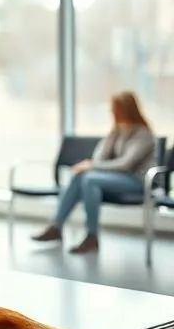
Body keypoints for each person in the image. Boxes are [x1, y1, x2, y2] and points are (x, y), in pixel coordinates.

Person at [31, 90, 157, 254]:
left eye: (116, 108)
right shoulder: (118, 131)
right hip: (116, 179)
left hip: (137, 182)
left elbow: (125, 165)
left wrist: (92, 166)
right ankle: (59, 227)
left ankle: (90, 236)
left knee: (89, 179)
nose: (112, 112)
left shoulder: (143, 134)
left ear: (127, 109)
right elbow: (99, 157)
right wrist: (109, 140)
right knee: (81, 177)